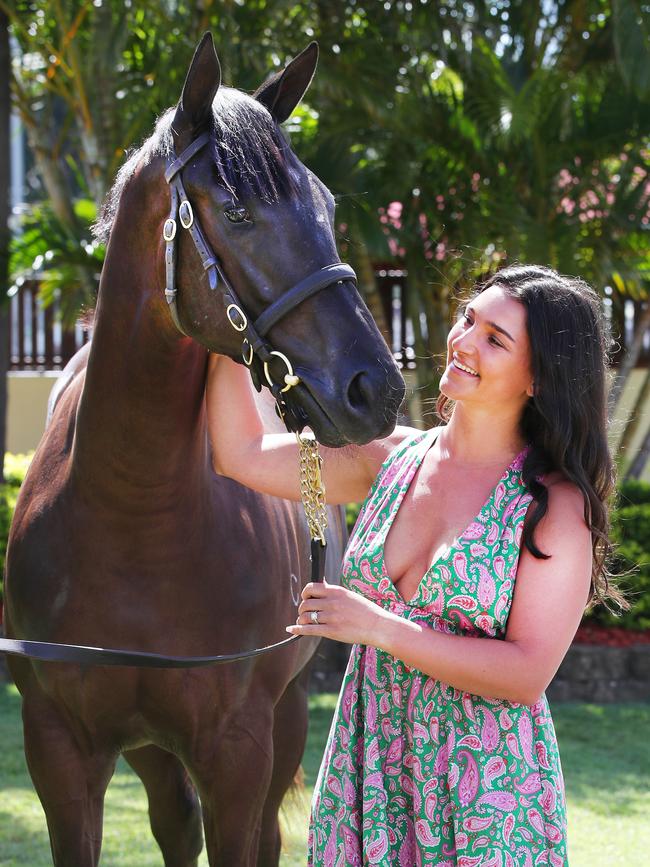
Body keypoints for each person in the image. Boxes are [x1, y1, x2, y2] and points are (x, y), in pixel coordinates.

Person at [207, 264, 622, 866]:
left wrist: (376, 626)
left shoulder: (555, 506)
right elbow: (240, 453)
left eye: (494, 339)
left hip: (487, 790)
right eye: (468, 319)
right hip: (369, 767)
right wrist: (226, 329)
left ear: (539, 378)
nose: (464, 341)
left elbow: (526, 673)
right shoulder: (391, 460)